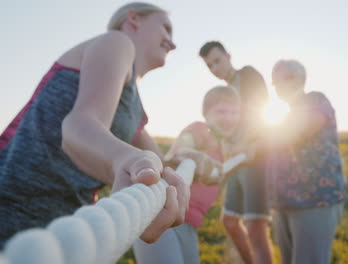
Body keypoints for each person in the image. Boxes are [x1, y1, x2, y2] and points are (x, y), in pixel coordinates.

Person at [0, 2, 190, 249]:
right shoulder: (117, 43)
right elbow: (80, 123)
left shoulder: (135, 108)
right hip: (14, 218)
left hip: (68, 230)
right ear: (133, 19)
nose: (172, 43)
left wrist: (192, 158)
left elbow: (158, 162)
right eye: (165, 28)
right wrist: (122, 160)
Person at [133, 85, 242, 263]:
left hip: (189, 222)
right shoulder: (200, 129)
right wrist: (193, 155)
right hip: (162, 214)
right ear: (206, 114)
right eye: (221, 112)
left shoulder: (224, 145)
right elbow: (178, 151)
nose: (229, 118)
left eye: (234, 112)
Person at [199, 41, 273, 264]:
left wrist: (254, 143)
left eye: (217, 61)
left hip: (254, 157)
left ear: (229, 56)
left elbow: (262, 109)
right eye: (209, 65)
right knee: (229, 220)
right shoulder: (223, 91)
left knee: (255, 226)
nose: (215, 68)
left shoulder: (247, 75)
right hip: (234, 161)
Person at [268, 59, 348, 264]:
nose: (278, 85)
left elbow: (299, 130)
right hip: (284, 201)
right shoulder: (285, 116)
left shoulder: (316, 100)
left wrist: (259, 141)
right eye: (274, 81)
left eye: (285, 78)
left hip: (315, 199)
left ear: (301, 79)